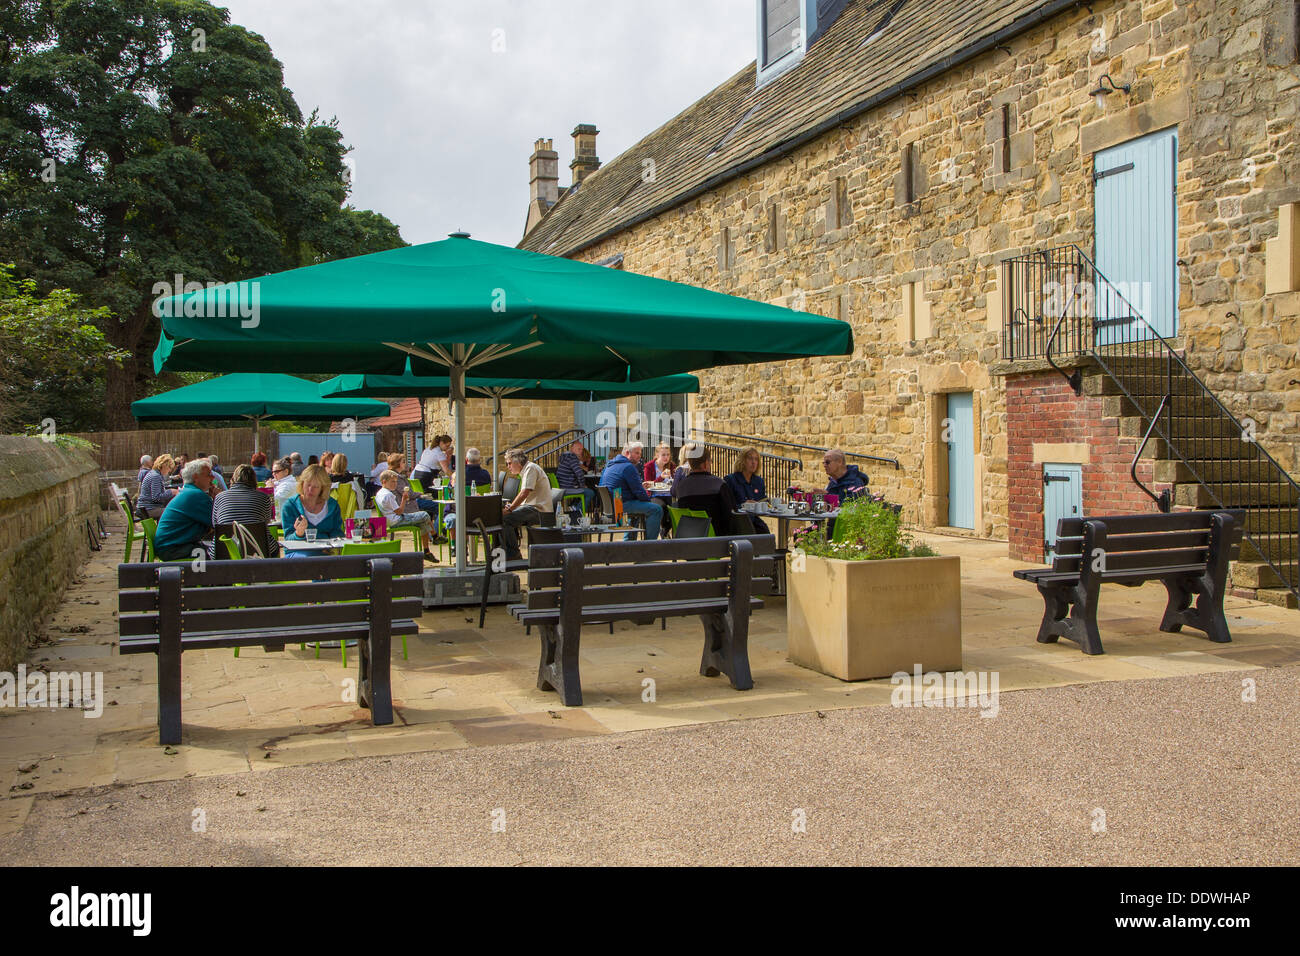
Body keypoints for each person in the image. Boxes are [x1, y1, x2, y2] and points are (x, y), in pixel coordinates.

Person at [672, 445, 744, 536]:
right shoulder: (719, 484)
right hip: (716, 538)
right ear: (705, 463)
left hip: (689, 536)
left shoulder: (681, 486)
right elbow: (732, 513)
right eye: (710, 461)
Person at [151, 459, 216, 561]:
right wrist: (218, 498)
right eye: (208, 475)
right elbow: (218, 523)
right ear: (196, 477)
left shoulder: (188, 491)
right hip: (173, 549)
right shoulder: (196, 495)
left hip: (167, 546)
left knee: (210, 550)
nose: (213, 477)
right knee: (217, 554)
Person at [599, 441, 662, 541]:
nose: (639, 457)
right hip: (619, 506)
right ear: (628, 453)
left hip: (610, 506)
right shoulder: (628, 467)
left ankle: (629, 541)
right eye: (637, 453)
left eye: (640, 454)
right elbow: (639, 493)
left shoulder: (609, 465)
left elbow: (611, 485)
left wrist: (639, 489)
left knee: (637, 504)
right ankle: (650, 544)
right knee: (656, 509)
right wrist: (648, 501)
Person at [213, 464, 279, 556]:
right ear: (254, 480)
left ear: (233, 479)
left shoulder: (220, 497)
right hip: (259, 549)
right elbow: (267, 521)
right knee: (275, 548)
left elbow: (215, 524)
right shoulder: (263, 498)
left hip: (223, 550)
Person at [375, 470, 439, 563]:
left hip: (389, 520)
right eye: (392, 482)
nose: (395, 484)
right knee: (424, 515)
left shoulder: (380, 493)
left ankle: (427, 551)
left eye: (396, 482)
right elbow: (399, 511)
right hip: (396, 520)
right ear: (384, 482)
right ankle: (435, 537)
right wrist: (404, 499)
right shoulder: (388, 495)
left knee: (422, 522)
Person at [500, 448, 552, 560]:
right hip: (532, 507)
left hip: (539, 510)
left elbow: (524, 493)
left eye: (509, 463)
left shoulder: (530, 468)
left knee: (504, 519)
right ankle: (508, 552)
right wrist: (512, 507)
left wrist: (510, 509)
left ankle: (513, 555)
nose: (508, 466)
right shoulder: (527, 469)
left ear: (517, 462)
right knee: (505, 517)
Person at [279, 463, 344, 552]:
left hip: (326, 553)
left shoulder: (332, 505)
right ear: (302, 484)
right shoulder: (290, 506)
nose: (310, 489)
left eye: (316, 486)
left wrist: (332, 545)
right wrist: (299, 533)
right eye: (308, 484)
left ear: (322, 488)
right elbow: (288, 540)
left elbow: (337, 533)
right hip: (298, 553)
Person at [724, 446, 769, 534]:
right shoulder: (730, 480)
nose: (753, 462)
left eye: (756, 459)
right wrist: (743, 506)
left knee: (765, 533)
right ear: (743, 461)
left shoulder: (759, 481)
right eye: (750, 458)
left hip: (753, 520)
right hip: (737, 521)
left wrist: (773, 504)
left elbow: (763, 500)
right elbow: (727, 505)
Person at [556, 440, 596, 513]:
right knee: (590, 492)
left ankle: (573, 507)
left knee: (582, 491)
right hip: (567, 487)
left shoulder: (565, 457)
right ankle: (578, 512)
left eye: (581, 449)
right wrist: (583, 485)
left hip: (562, 486)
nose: (581, 451)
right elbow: (579, 474)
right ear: (572, 449)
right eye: (578, 449)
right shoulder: (572, 457)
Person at [136, 454, 177, 519]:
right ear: (164, 466)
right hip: (148, 509)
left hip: (144, 507)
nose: (170, 470)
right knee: (175, 512)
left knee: (171, 510)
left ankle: (162, 528)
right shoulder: (156, 476)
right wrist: (171, 492)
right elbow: (156, 497)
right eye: (170, 468)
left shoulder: (154, 473)